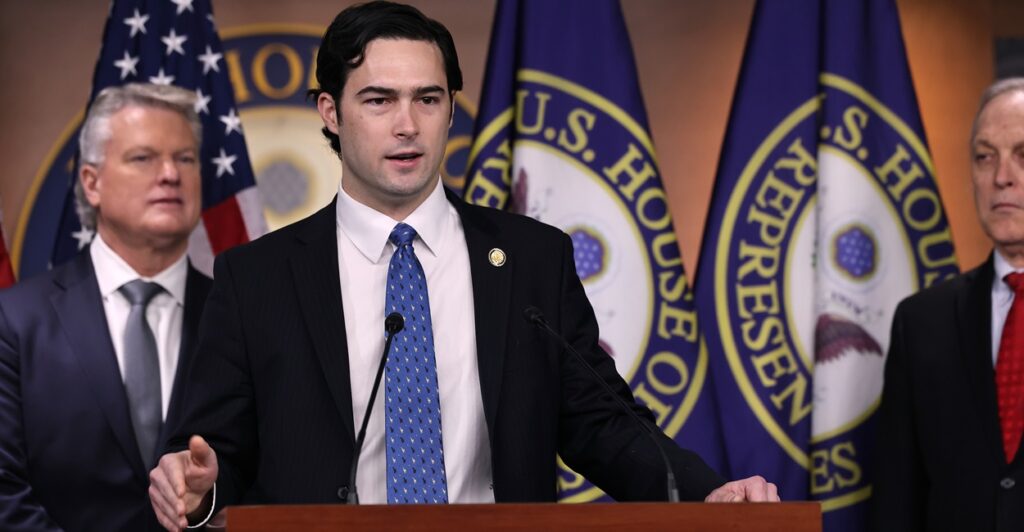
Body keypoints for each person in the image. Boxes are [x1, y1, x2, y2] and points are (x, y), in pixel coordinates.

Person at [149, 2, 778, 528]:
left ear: (451, 109)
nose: (407, 125)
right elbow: (212, 455)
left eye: (427, 98)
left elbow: (603, 424)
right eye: (378, 100)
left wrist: (706, 493)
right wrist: (197, 490)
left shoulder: (533, 259)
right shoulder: (256, 277)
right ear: (331, 113)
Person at [0, 83, 211, 531]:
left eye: (185, 158)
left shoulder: (239, 315)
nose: (170, 174)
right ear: (91, 183)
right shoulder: (15, 321)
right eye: (143, 158)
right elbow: (5, 493)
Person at [872, 77, 1024, 531]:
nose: (1002, 177)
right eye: (984, 156)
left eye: (1023, 154)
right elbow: (896, 501)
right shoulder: (921, 322)